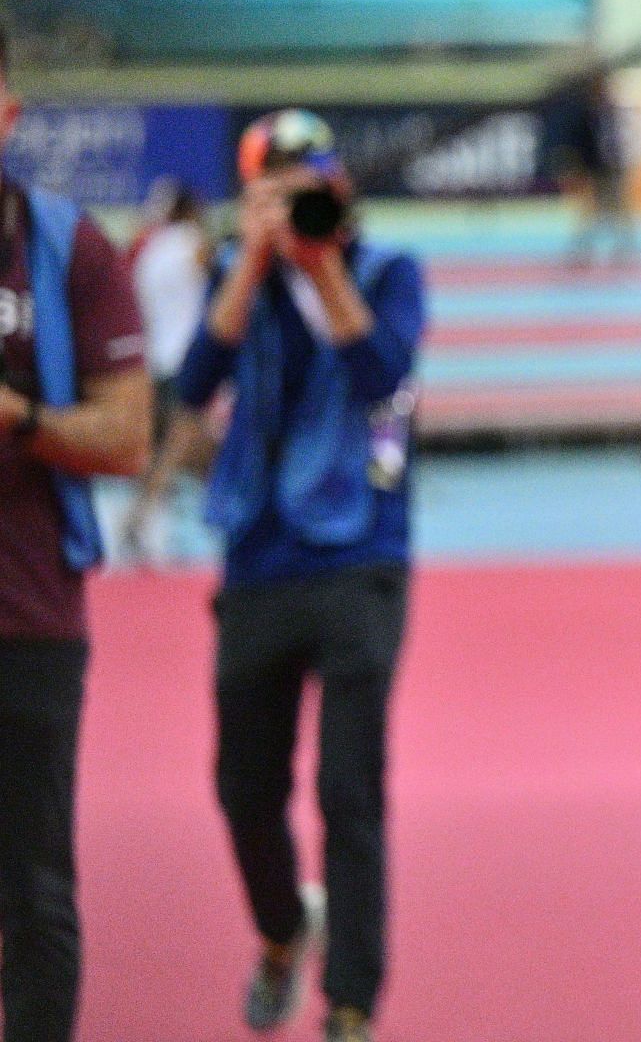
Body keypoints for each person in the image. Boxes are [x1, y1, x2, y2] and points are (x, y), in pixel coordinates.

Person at [174, 111, 426, 1042]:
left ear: (340, 183)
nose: (298, 199)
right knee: (245, 785)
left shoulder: (388, 271)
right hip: (257, 559)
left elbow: (382, 377)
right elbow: (196, 382)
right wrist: (249, 259)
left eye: (310, 180)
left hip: (363, 557)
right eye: (274, 187)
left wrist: (318, 264)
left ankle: (351, 1005)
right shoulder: (235, 277)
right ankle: (284, 932)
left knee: (349, 790)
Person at [0, 21, 152, 1042]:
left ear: (9, 113)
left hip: (29, 616)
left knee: (34, 889)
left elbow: (128, 434)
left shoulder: (66, 245)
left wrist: (19, 418)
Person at [124, 176, 212, 560]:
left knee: (187, 448)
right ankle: (138, 519)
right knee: (177, 447)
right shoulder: (192, 245)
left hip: (156, 360)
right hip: (185, 361)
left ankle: (235, 513)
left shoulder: (150, 250)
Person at [551, 74, 637, 268]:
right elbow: (575, 144)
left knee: (619, 211)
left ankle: (624, 251)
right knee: (590, 213)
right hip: (592, 170)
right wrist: (576, 170)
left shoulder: (610, 113)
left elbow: (617, 142)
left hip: (611, 169)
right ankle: (582, 252)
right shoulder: (583, 114)